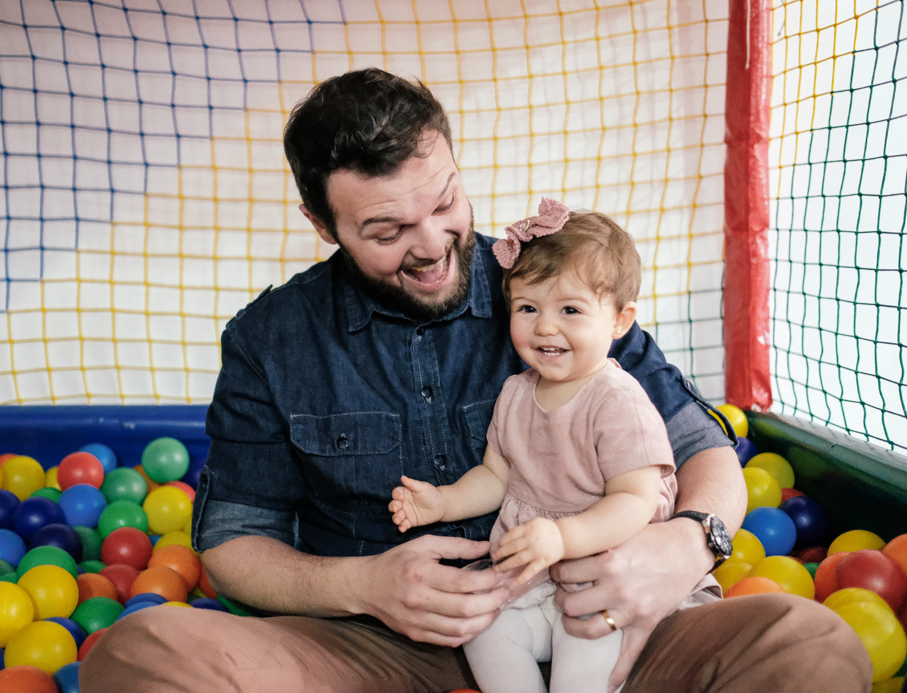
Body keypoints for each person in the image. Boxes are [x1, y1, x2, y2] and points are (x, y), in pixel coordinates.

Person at [78, 68, 871, 693]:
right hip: (379, 647)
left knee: (811, 643)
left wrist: (685, 543)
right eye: (386, 231)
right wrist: (366, 585)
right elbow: (230, 546)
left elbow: (705, 453)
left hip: (594, 621)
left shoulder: (556, 283)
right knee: (141, 653)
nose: (432, 246)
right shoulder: (272, 340)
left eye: (445, 202)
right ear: (323, 225)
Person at [388, 200, 719, 693]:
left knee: (582, 653)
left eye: (570, 310)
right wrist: (444, 501)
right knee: (485, 630)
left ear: (620, 320)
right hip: (534, 580)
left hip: (604, 579)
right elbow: (497, 477)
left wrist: (563, 539)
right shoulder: (517, 392)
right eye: (528, 308)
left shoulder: (616, 399)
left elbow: (635, 500)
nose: (545, 326)